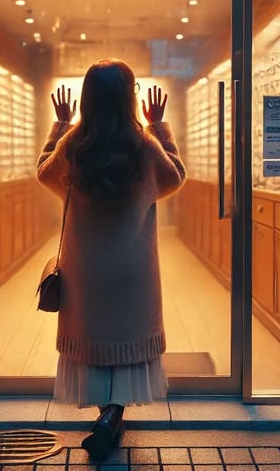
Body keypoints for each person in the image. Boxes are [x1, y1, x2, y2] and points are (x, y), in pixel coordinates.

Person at [36, 58, 186, 461]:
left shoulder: (76, 145)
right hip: (131, 269)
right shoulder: (143, 146)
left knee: (97, 340)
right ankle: (113, 415)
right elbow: (175, 175)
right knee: (125, 340)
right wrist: (159, 127)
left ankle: (106, 415)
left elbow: (43, 173)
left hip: (87, 269)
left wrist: (60, 126)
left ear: (86, 98)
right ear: (130, 98)